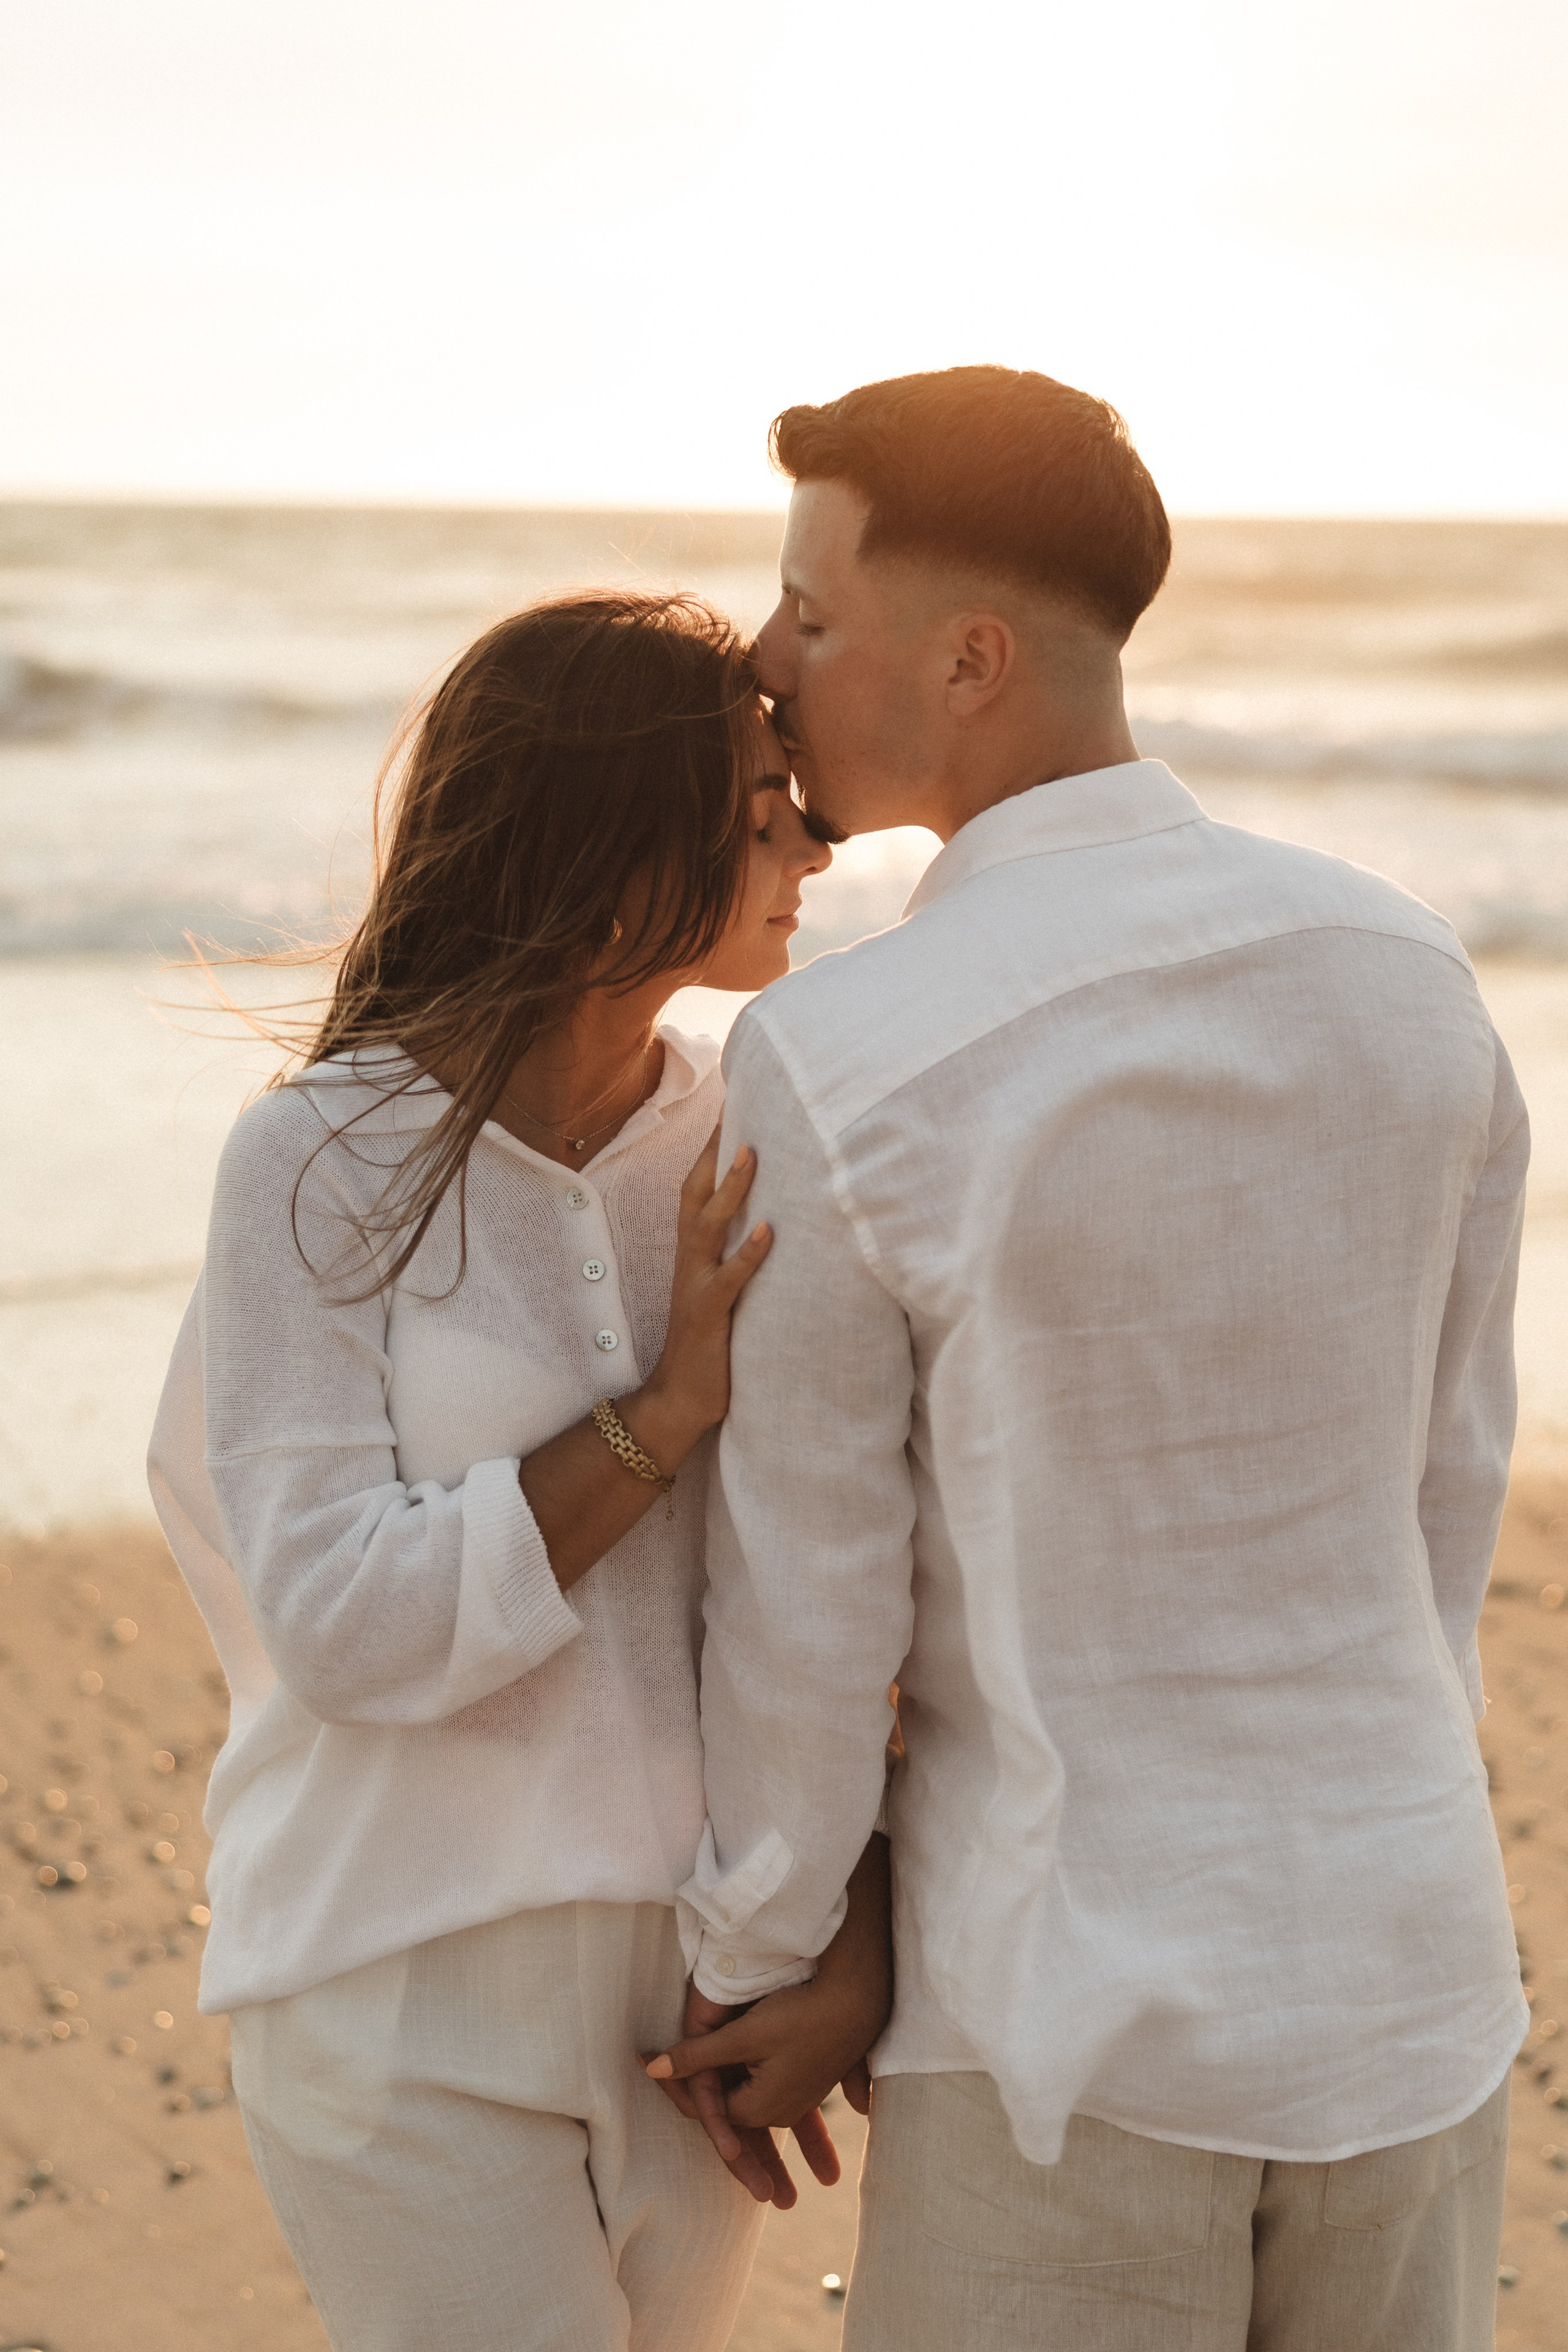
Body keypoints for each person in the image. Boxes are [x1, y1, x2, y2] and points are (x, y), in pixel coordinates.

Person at [649, 369, 1529, 2351]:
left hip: (1066, 2029)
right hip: (1408, 1988)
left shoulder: (852, 1062)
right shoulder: (1408, 976)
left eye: (808, 610)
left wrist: (764, 1948)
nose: (769, 665)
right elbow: (1439, 1506)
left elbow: (810, 1603)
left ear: (969, 657)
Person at [146, 589, 885, 2352]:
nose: (810, 853)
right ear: (604, 837)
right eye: (756, 811)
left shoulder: (756, 1128)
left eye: (806, 808)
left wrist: (840, 1939)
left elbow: (840, 1577)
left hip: (697, 2000)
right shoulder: (320, 1159)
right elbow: (338, 1622)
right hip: (397, 1979)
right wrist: (661, 1415)